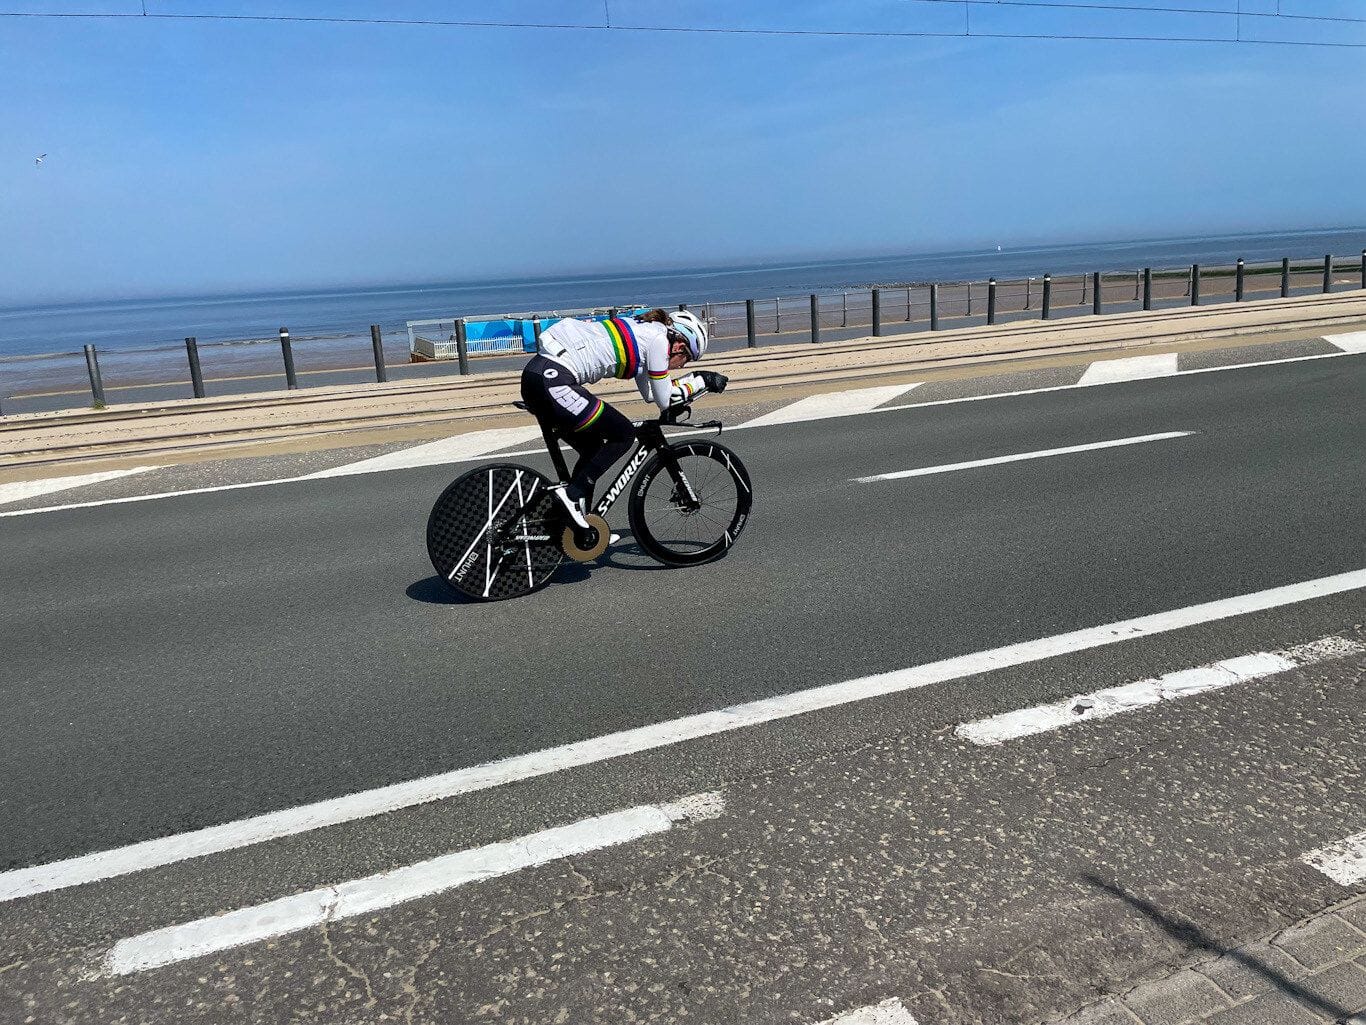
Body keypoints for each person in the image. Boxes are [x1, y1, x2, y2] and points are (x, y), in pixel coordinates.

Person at [520, 307, 722, 529]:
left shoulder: (647, 333)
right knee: (623, 434)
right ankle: (571, 496)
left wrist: (690, 385)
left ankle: (577, 523)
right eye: (687, 361)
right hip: (554, 381)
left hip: (538, 376)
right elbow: (664, 400)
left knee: (594, 446)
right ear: (680, 347)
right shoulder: (658, 341)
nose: (682, 366)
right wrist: (701, 380)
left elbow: (652, 394)